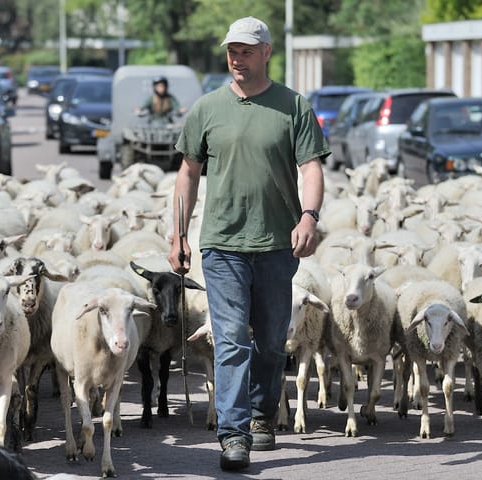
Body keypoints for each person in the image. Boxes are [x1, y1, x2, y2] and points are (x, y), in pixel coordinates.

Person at [168, 16, 328, 472]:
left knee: (274, 340)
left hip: (278, 242)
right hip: (222, 243)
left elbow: (312, 167)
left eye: (246, 50)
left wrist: (309, 216)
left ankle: (262, 415)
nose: (237, 59)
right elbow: (187, 173)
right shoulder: (207, 108)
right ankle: (233, 433)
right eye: (232, 51)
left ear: (266, 52)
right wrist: (178, 234)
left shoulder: (293, 106)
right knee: (233, 337)